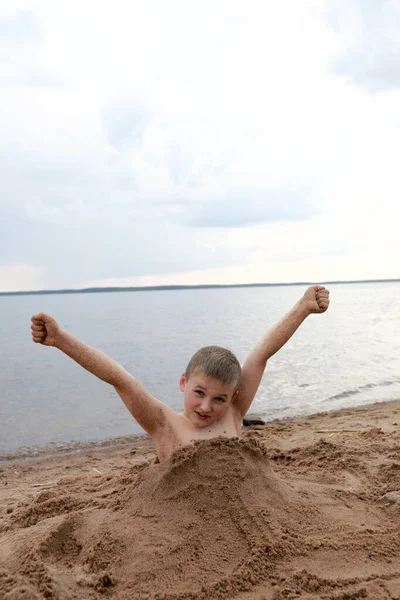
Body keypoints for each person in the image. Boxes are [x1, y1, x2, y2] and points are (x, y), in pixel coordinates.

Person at [31, 285, 329, 462]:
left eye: (219, 399)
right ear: (183, 382)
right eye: (199, 393)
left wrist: (303, 308)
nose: (206, 407)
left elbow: (261, 354)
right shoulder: (164, 424)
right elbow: (118, 377)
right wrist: (61, 340)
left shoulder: (233, 413)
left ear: (233, 397)